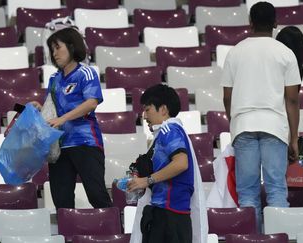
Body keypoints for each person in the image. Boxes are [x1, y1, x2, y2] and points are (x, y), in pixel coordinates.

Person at [220, 1, 301, 228]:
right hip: (275, 127)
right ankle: (279, 237)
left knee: (247, 193)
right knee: (276, 189)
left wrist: (235, 121)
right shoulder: (285, 53)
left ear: (250, 23)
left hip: (243, 125)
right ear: (275, 23)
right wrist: (293, 138)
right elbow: (292, 99)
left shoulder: (235, 52)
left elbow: (227, 96)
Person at [31, 27, 112, 209]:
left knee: (97, 196)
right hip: (59, 147)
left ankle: (114, 233)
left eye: (58, 47)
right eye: (52, 49)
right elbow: (52, 111)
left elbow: (91, 103)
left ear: (72, 46)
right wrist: (39, 108)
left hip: (85, 142)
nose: (54, 53)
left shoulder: (86, 72)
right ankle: (67, 237)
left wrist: (63, 119)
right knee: (62, 202)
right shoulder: (54, 79)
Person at [127, 84, 207, 243]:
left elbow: (181, 163)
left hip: (169, 216)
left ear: (163, 110)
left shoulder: (169, 130)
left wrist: (146, 180)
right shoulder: (168, 132)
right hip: (170, 215)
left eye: (147, 109)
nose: (144, 116)